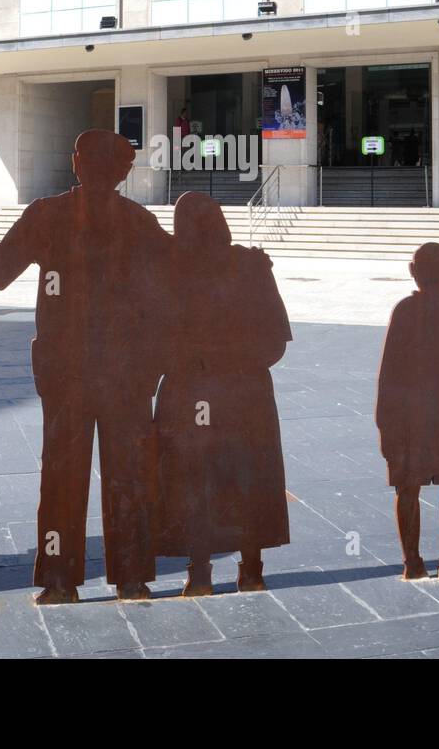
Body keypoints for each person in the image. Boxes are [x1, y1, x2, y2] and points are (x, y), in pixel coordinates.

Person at [0, 129, 170, 604]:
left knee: (64, 473)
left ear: (75, 163)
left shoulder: (50, 215)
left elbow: (1, 272)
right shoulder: (138, 221)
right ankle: (131, 578)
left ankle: (60, 581)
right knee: (127, 474)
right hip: (117, 374)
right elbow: (172, 294)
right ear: (124, 172)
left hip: (75, 373)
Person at [154, 192, 292, 595]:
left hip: (195, 390)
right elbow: (276, 339)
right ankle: (250, 568)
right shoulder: (249, 264)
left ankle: (201, 572)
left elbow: (156, 338)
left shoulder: (175, 269)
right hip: (244, 392)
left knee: (195, 478)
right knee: (243, 475)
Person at [375, 242, 439, 579]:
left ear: (412, 271)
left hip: (409, 420)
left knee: (407, 489)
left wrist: (385, 426)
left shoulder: (404, 310)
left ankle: (413, 562)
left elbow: (388, 376)